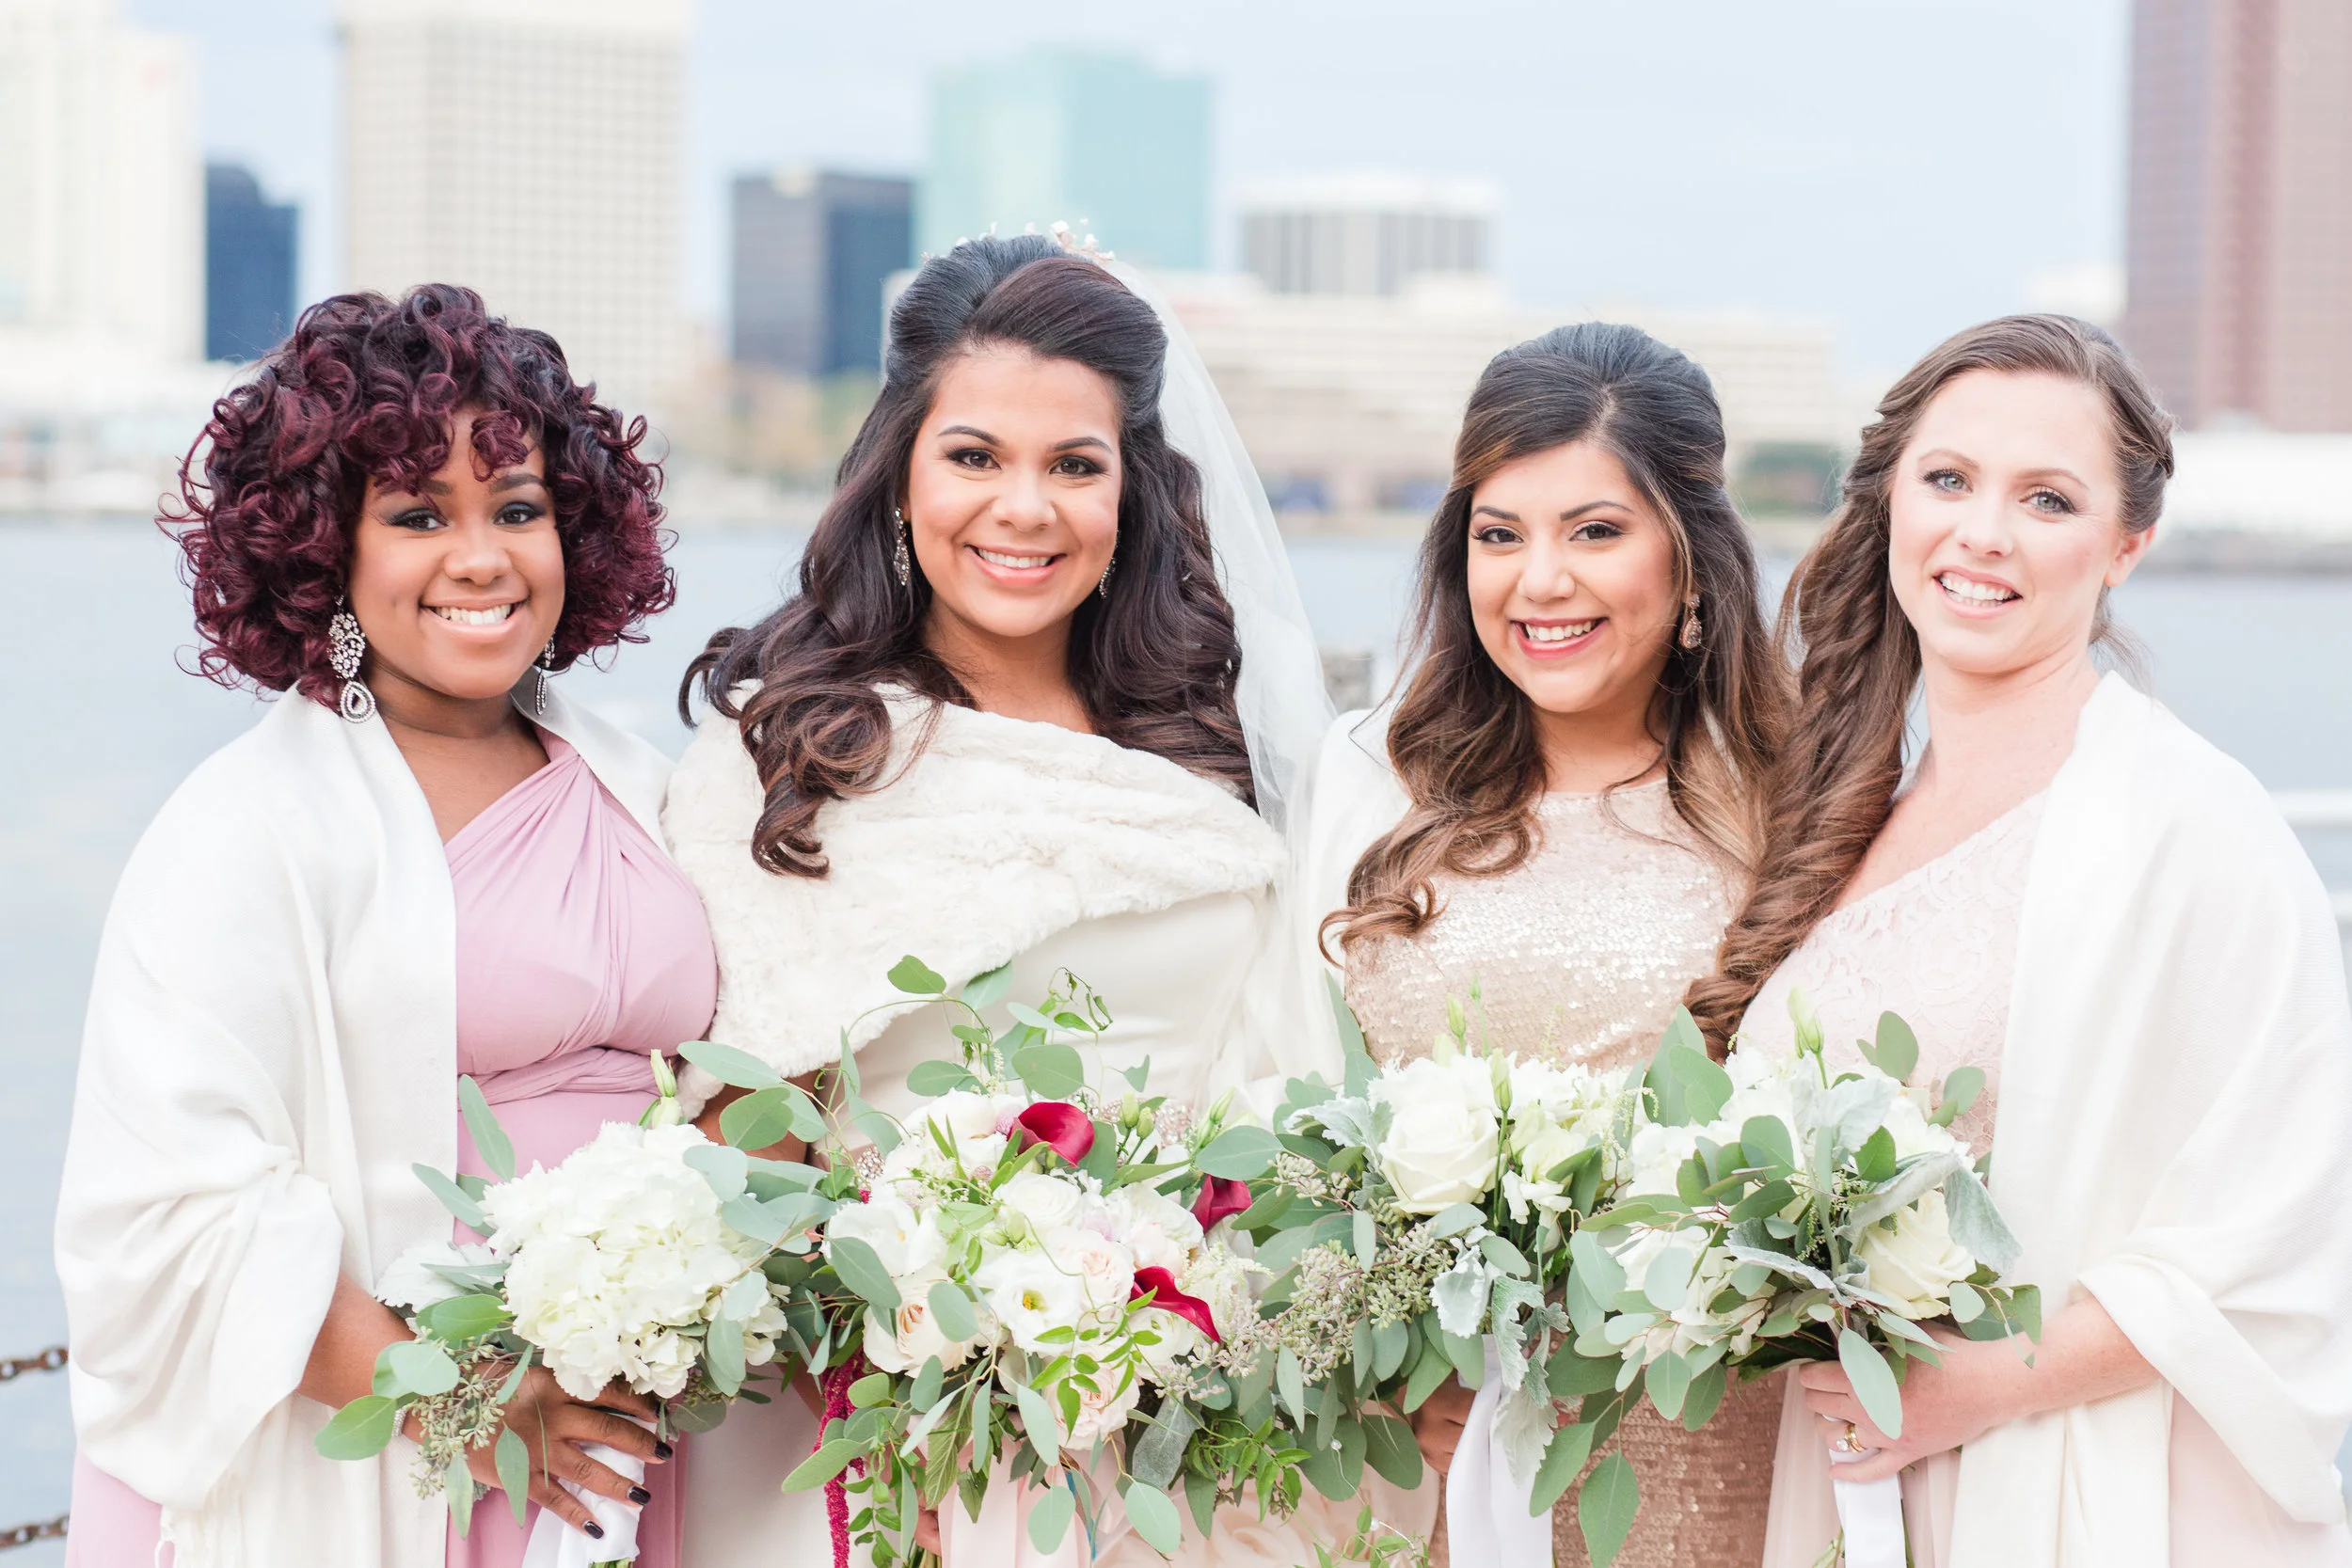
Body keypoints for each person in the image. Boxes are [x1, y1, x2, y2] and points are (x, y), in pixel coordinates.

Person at [660, 230, 1406, 1567]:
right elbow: (738, 1137)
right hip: (889, 1422)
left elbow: (1292, 1076)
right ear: (900, 474)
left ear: (1131, 490)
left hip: (1198, 1424)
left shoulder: (1216, 746)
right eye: (975, 457)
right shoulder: (783, 762)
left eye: (1075, 464)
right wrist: (924, 1334)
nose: (1025, 507)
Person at [55, 285, 712, 1568]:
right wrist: (471, 1397)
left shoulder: (644, 786)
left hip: (628, 1440)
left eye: (516, 509)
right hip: (408, 1444)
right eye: (418, 516)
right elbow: (170, 1214)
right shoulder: (243, 829)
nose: (482, 558)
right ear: (324, 553)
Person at [1687, 314, 2352, 1567]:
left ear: (2128, 543)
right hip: (1853, 1480)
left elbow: (2280, 1224)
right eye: (1949, 479)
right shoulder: (1845, 810)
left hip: (2065, 1482)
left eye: (2047, 499)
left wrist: (1988, 1384)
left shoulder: (2194, 827)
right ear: (1891, 502)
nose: (1983, 533)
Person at [1306, 322, 1790, 1567]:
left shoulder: (1792, 810)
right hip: (1427, 1450)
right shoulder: (1368, 783)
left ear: (1691, 558)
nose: (1539, 581)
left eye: (1595, 531)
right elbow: (1291, 1105)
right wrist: (1382, 1355)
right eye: (1499, 534)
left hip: (1705, 1442)